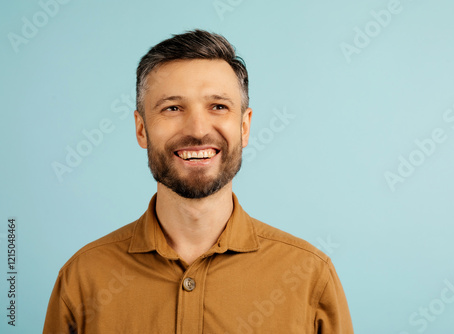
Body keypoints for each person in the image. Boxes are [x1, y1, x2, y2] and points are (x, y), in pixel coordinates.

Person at [43, 29, 353, 333]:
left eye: (218, 106)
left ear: (244, 127)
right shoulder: (82, 278)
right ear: (141, 129)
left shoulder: (310, 275)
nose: (198, 129)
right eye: (173, 108)